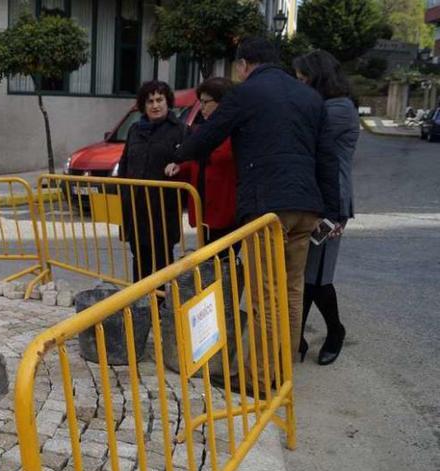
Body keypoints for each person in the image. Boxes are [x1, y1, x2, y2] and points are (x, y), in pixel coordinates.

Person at [171, 36, 341, 367]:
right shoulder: (310, 97)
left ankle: (262, 376)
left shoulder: (245, 93)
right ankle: (284, 369)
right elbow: (328, 158)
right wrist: (331, 212)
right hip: (306, 208)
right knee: (292, 291)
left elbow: (208, 135)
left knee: (265, 295)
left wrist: (179, 153)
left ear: (243, 65)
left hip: (267, 209)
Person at [293, 50, 359, 365]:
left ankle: (335, 331)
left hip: (332, 203)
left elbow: (304, 135)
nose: (298, 84)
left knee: (318, 277)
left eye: (302, 78)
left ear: (317, 78)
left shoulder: (339, 109)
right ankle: (297, 340)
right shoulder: (323, 106)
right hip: (312, 197)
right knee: (306, 273)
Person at [117, 80, 188, 282]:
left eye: (159, 100)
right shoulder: (134, 130)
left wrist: (178, 166)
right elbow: (125, 162)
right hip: (136, 207)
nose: (155, 105)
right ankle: (141, 305)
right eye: (150, 101)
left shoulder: (179, 130)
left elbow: (186, 163)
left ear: (168, 102)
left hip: (163, 210)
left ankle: (162, 306)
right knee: (139, 258)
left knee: (162, 262)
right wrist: (123, 194)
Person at [164, 77, 238, 246]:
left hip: (226, 211)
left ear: (221, 103)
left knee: (223, 261)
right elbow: (196, 162)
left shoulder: (235, 132)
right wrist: (179, 167)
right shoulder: (201, 130)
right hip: (203, 209)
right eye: (200, 102)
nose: (201, 108)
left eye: (206, 102)